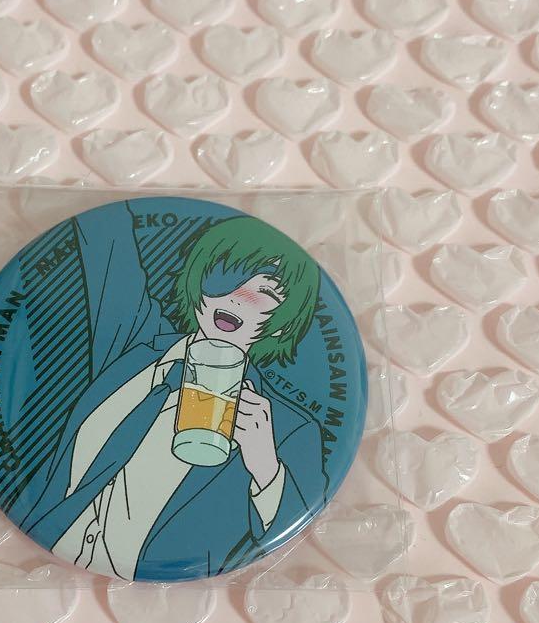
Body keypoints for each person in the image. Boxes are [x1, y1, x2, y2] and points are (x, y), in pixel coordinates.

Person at [17, 200, 327, 581]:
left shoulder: (290, 430)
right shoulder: (133, 344)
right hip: (30, 557)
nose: (236, 296)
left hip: (158, 593)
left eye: (262, 291)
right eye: (226, 275)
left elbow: (292, 546)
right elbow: (107, 244)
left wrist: (265, 468)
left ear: (280, 324)